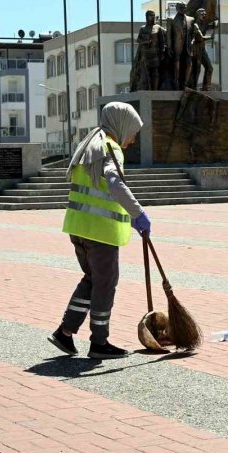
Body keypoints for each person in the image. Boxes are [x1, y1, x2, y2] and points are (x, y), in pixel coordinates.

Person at [48, 102, 151, 359]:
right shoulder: (110, 147)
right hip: (100, 232)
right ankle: (99, 343)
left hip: (78, 228)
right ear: (121, 125)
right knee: (105, 284)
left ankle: (65, 332)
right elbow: (114, 183)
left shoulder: (91, 143)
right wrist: (138, 213)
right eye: (133, 131)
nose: (133, 138)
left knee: (92, 280)